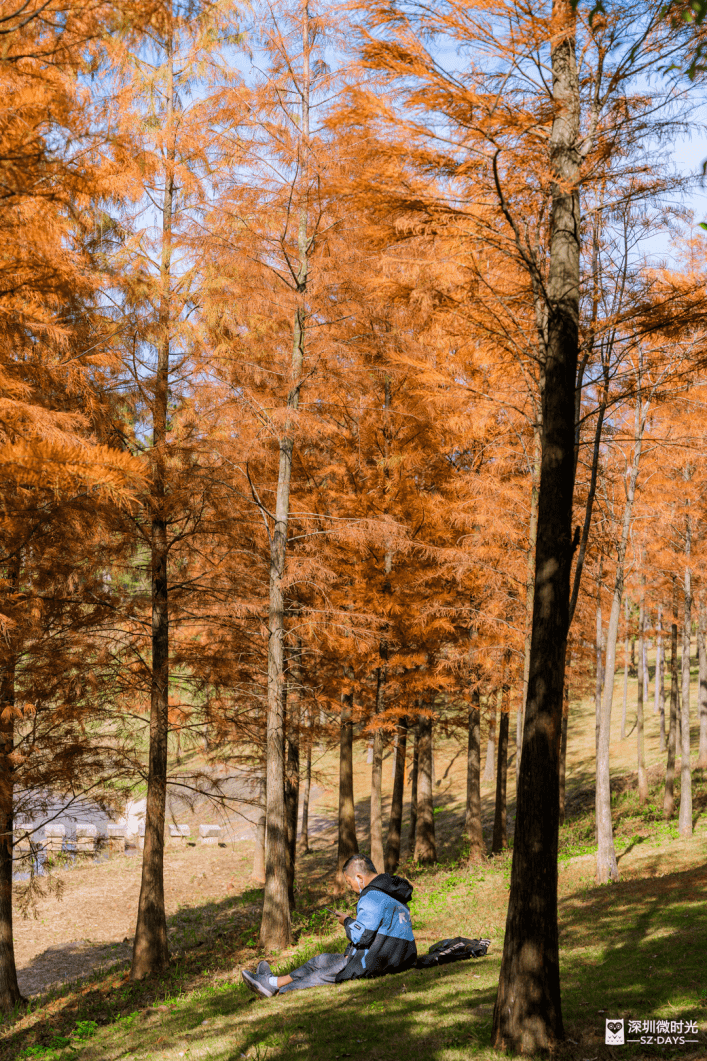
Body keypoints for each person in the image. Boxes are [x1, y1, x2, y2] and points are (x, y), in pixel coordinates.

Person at [241, 854, 417, 998]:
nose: (351, 887)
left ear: (359, 877)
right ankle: (272, 982)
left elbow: (362, 937)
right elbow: (377, 928)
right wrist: (352, 920)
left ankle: (276, 991)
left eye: (349, 883)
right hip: (398, 956)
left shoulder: (371, 896)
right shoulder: (392, 892)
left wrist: (346, 922)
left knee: (317, 975)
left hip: (376, 962)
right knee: (320, 960)